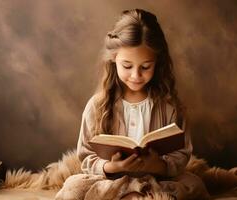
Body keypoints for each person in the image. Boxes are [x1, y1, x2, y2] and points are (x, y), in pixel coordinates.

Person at [55, 9, 209, 200]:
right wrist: (114, 167)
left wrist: (157, 165)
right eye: (127, 66)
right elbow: (86, 156)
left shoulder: (170, 106)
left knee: (195, 185)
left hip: (158, 180)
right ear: (113, 60)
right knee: (73, 186)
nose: (136, 75)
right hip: (111, 180)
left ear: (157, 63)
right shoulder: (97, 105)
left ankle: (138, 195)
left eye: (145, 67)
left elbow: (182, 153)